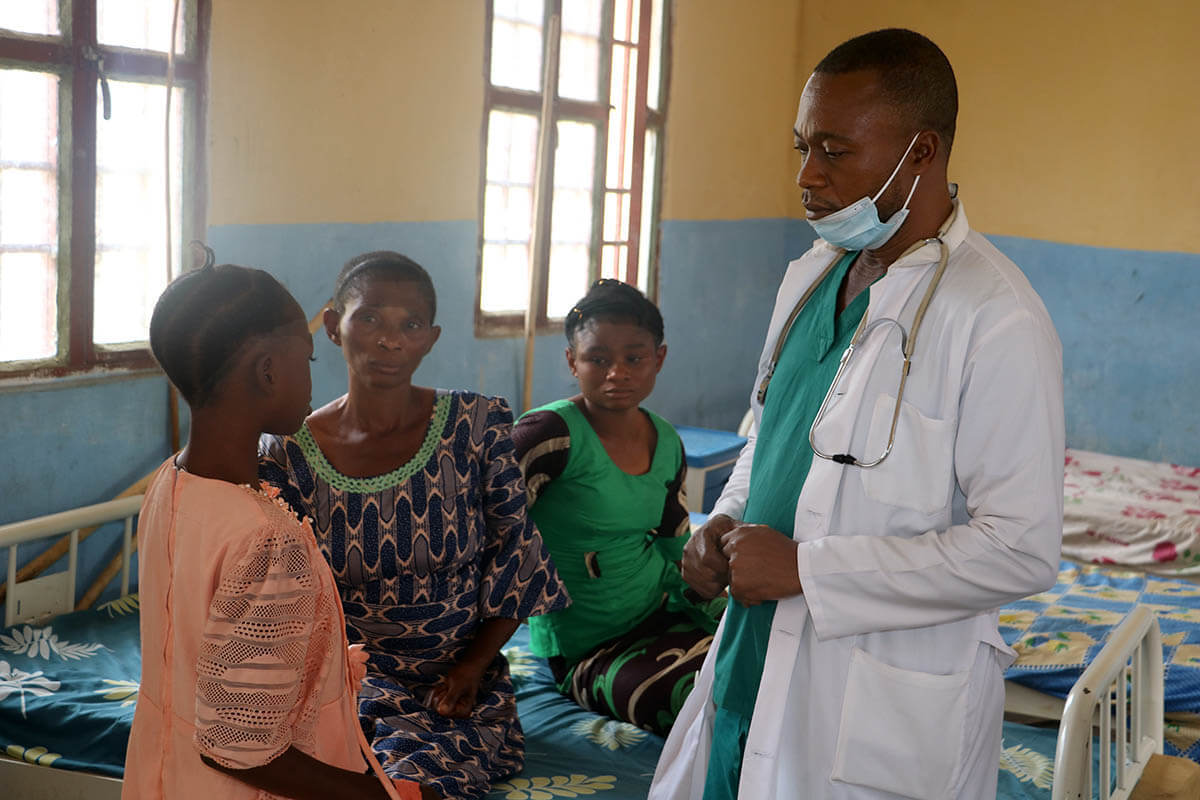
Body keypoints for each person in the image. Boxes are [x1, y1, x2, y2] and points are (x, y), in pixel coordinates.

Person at [650, 28, 1065, 800]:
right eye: (803, 145)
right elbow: (768, 437)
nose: (807, 176)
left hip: (873, 700)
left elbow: (1022, 548)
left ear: (921, 152)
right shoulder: (809, 279)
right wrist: (724, 521)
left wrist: (807, 569)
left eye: (835, 151)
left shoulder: (995, 317)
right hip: (751, 654)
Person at [258, 251, 570, 800]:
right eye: (370, 318)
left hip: (460, 682)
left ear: (431, 338)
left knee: (417, 773)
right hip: (348, 681)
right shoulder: (289, 457)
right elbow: (283, 596)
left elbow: (519, 560)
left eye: (411, 325)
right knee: (364, 772)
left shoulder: (474, 429)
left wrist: (473, 667)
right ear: (333, 326)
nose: (390, 340)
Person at [124, 259, 427, 799]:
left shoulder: (171, 484)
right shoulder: (266, 539)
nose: (314, 378)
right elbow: (240, 749)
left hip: (164, 777)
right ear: (268, 371)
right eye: (307, 359)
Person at [511, 279, 723, 736]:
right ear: (573, 361)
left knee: (768, 658)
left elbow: (674, 542)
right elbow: (487, 530)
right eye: (598, 358)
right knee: (699, 697)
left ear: (658, 359)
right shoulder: (547, 434)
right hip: (587, 646)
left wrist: (714, 598)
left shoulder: (665, 438)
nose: (617, 373)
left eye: (634, 358)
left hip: (663, 604)